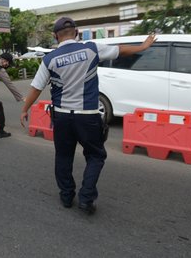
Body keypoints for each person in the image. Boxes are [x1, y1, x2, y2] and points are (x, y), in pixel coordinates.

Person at [20, 17, 157, 215]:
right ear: (76, 33)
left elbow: (36, 88)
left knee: (63, 156)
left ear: (55, 36)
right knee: (95, 155)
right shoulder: (92, 49)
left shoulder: (49, 59)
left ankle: (67, 196)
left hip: (62, 117)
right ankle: (86, 198)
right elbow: (121, 50)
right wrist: (143, 46)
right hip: (88, 116)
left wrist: (25, 109)